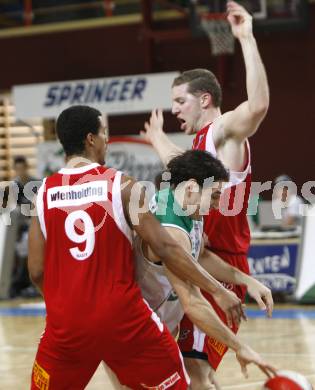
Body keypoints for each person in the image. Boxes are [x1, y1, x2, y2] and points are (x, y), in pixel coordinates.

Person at [28, 105, 244, 390]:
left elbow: (36, 271)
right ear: (91, 139)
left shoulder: (42, 194)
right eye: (104, 133)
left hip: (66, 321)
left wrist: (65, 304)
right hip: (122, 319)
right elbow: (167, 248)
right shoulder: (123, 185)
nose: (107, 140)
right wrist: (217, 289)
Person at [140, 1, 270, 388]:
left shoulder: (222, 132)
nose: (175, 109)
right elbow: (182, 168)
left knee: (195, 369)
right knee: (185, 364)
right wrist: (158, 140)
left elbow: (259, 105)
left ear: (205, 99)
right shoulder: (199, 147)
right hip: (198, 260)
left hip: (220, 266)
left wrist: (245, 37)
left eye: (180, 101)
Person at [134, 150, 275, 387]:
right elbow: (193, 302)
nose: (218, 206)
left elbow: (199, 256)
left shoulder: (185, 205)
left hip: (159, 328)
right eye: (215, 196)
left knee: (198, 381)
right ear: (191, 188)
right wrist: (240, 347)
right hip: (139, 337)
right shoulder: (171, 230)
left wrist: (246, 280)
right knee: (194, 381)